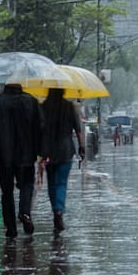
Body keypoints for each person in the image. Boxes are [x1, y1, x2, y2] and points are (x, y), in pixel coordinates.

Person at [0, 82, 43, 238]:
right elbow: (40, 128)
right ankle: (25, 212)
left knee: (7, 192)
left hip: (3, 155)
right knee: (27, 185)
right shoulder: (31, 102)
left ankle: (11, 228)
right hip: (27, 155)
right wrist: (42, 152)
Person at [40, 87, 84, 232]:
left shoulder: (43, 107)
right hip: (65, 149)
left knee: (51, 182)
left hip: (48, 149)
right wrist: (81, 147)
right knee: (61, 182)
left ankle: (55, 209)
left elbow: (38, 129)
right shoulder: (69, 107)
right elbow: (78, 129)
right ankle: (59, 209)